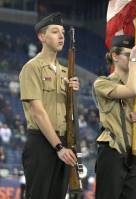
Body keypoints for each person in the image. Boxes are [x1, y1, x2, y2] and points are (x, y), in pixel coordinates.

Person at [19, 12, 79, 199]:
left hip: (63, 142)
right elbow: (38, 112)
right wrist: (59, 148)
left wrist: (73, 93)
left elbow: (68, 113)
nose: (61, 36)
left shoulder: (65, 71)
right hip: (42, 144)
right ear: (41, 37)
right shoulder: (32, 67)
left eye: (62, 32)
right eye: (55, 32)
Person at [93, 35, 136, 199]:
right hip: (112, 150)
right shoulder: (102, 83)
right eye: (128, 55)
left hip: (135, 153)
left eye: (133, 56)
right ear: (114, 56)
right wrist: (135, 61)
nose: (131, 59)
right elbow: (133, 89)